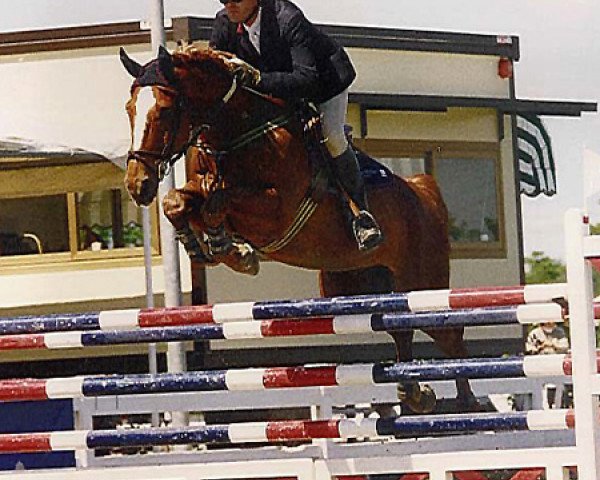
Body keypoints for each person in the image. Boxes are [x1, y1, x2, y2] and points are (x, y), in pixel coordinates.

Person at [209, 0, 383, 252]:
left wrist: (259, 78)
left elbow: (306, 78)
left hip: (324, 83)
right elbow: (217, 69)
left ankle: (361, 215)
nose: (229, 5)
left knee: (331, 136)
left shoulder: (287, 18)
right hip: (276, 88)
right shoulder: (224, 23)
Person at [525, 321, 570, 409]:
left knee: (558, 390)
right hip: (540, 367)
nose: (550, 322)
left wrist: (553, 344)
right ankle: (540, 411)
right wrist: (540, 347)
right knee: (539, 393)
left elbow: (565, 346)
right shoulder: (535, 333)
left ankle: (557, 409)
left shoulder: (559, 332)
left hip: (556, 366)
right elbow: (529, 349)